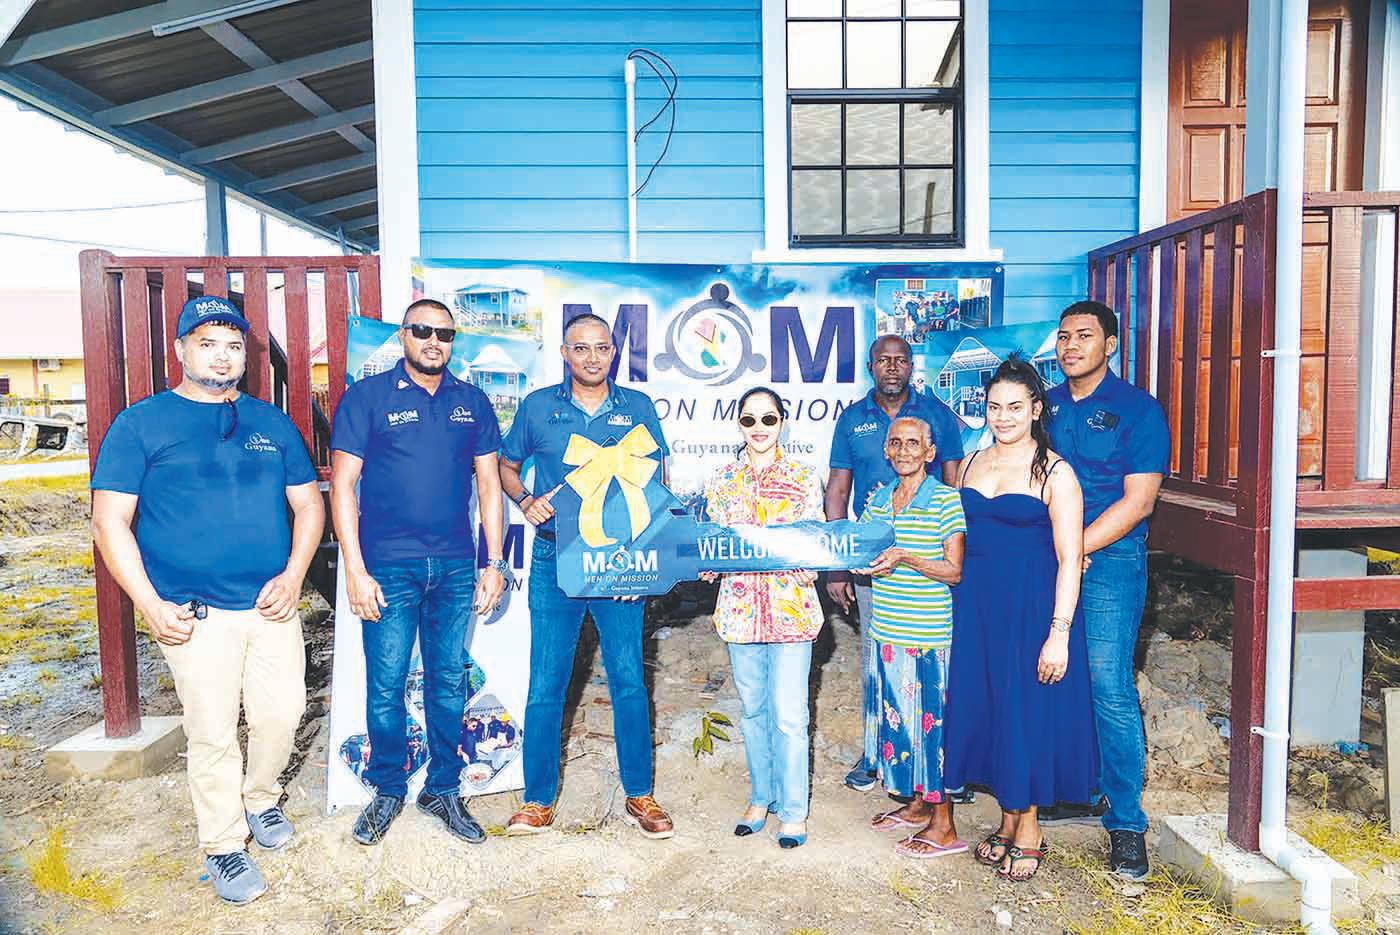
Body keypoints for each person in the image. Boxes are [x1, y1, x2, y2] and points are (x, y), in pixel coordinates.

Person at [90, 296, 324, 905]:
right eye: (208, 343)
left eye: (234, 346)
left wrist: (294, 575)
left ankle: (261, 799)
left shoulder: (271, 424)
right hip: (192, 614)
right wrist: (148, 604)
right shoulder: (140, 425)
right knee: (213, 731)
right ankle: (223, 844)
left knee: (281, 715)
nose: (222, 356)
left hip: (270, 606)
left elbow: (308, 505)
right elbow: (109, 522)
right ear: (181, 350)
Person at [330, 298, 508, 847]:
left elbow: (489, 486)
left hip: (454, 566)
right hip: (387, 567)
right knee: (386, 683)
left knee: (447, 681)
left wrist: (493, 562)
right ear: (403, 335)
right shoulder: (367, 397)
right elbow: (342, 486)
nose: (434, 341)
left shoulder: (472, 401)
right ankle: (387, 788)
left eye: (445, 334)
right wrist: (354, 569)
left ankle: (443, 788)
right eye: (423, 331)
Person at [498, 313, 674, 839]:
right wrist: (525, 500)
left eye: (601, 348)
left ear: (612, 352)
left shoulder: (637, 406)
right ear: (564, 353)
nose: (592, 357)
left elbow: (659, 480)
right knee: (546, 682)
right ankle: (537, 800)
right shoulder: (538, 407)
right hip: (557, 557)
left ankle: (639, 793)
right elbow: (507, 466)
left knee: (628, 679)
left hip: (620, 563)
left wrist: (642, 560)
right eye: (581, 348)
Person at [942, 357, 1097, 882]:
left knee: (1023, 712)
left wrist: (1059, 633)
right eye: (994, 407)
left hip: (1030, 610)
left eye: (1014, 407)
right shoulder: (969, 464)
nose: (1003, 417)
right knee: (990, 710)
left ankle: (1029, 827)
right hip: (976, 609)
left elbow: (1071, 558)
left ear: (1035, 409)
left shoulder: (1056, 472)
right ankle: (1008, 819)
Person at [1041, 300, 1169, 880]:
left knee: (1108, 684)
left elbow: (1139, 501)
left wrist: (1078, 549)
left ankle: (1126, 824)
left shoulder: (1138, 410)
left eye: (1084, 336)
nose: (1070, 346)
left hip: (1109, 559)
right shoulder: (1044, 405)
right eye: (1063, 336)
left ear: (1110, 345)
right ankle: (1073, 789)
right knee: (1052, 675)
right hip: (1047, 557)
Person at [827, 335, 966, 793]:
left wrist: (948, 545)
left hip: (930, 570)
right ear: (870, 366)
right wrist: (838, 565)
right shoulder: (852, 419)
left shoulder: (938, 415)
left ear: (911, 366)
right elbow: (838, 490)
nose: (892, 367)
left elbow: (955, 484)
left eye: (900, 360)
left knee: (936, 670)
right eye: (883, 360)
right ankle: (877, 754)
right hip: (876, 568)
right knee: (878, 659)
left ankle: (946, 765)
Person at [699, 387, 824, 848]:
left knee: (790, 715)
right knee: (752, 711)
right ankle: (760, 798)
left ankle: (793, 812)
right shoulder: (721, 480)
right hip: (740, 610)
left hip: (791, 609)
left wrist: (810, 562)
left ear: (782, 423)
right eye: (749, 420)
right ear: (738, 424)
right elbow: (712, 542)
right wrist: (707, 564)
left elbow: (816, 540)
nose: (758, 428)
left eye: (767, 419)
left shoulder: (804, 477)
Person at [856, 417, 967, 859]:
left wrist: (906, 557)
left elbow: (954, 570)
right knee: (899, 723)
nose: (904, 451)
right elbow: (863, 549)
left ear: (930, 451)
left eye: (913, 444)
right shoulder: (879, 500)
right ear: (886, 450)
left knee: (931, 730)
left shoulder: (945, 499)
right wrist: (855, 560)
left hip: (927, 636)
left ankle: (944, 825)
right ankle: (918, 806)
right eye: (896, 443)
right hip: (886, 632)